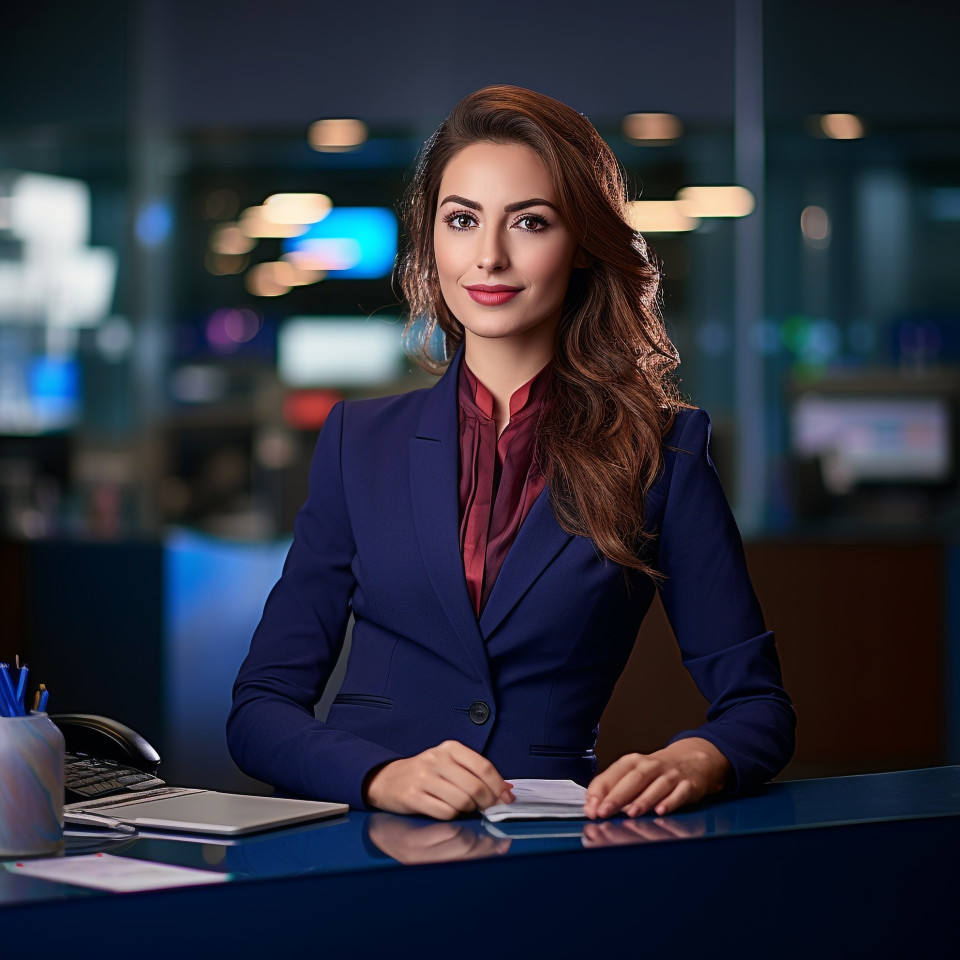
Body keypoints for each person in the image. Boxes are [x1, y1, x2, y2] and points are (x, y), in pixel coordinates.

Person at [227, 85, 795, 821]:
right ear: (431, 239)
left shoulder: (664, 451)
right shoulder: (356, 443)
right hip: (364, 851)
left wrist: (697, 758)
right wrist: (379, 776)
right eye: (462, 220)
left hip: (544, 856)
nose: (489, 257)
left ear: (583, 242)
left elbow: (758, 706)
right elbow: (259, 710)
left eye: (529, 222)